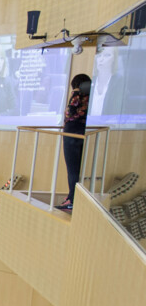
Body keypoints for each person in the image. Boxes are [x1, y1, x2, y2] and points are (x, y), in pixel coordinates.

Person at [58, 73, 92, 211]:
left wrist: (76, 92)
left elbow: (70, 113)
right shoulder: (90, 95)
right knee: (77, 169)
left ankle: (72, 199)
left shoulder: (77, 94)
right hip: (82, 132)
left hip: (71, 134)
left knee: (72, 170)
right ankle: (72, 196)